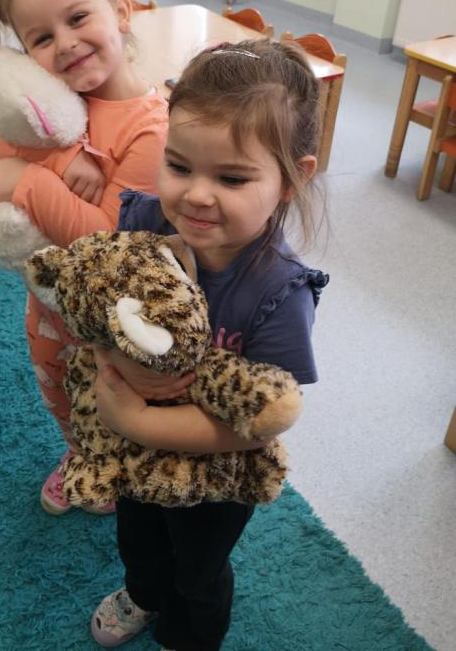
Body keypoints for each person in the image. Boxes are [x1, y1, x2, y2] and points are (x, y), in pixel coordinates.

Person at [89, 39, 329, 651]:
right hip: (135, 454)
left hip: (214, 476)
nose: (196, 194)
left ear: (292, 178)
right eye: (179, 166)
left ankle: (190, 634)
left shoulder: (280, 293)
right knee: (137, 537)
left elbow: (258, 424)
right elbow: (98, 311)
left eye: (231, 177)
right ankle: (143, 592)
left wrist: (138, 420)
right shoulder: (144, 224)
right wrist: (112, 363)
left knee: (198, 571)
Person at [0, 0, 169, 515]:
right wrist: (62, 156)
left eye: (78, 18)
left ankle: (117, 460)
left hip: (117, 314)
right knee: (58, 389)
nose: (65, 44)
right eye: (41, 38)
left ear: (122, 12)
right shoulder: (57, 105)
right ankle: (81, 454)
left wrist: (28, 179)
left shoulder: (152, 128)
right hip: (50, 303)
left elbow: (105, 239)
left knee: (114, 396)